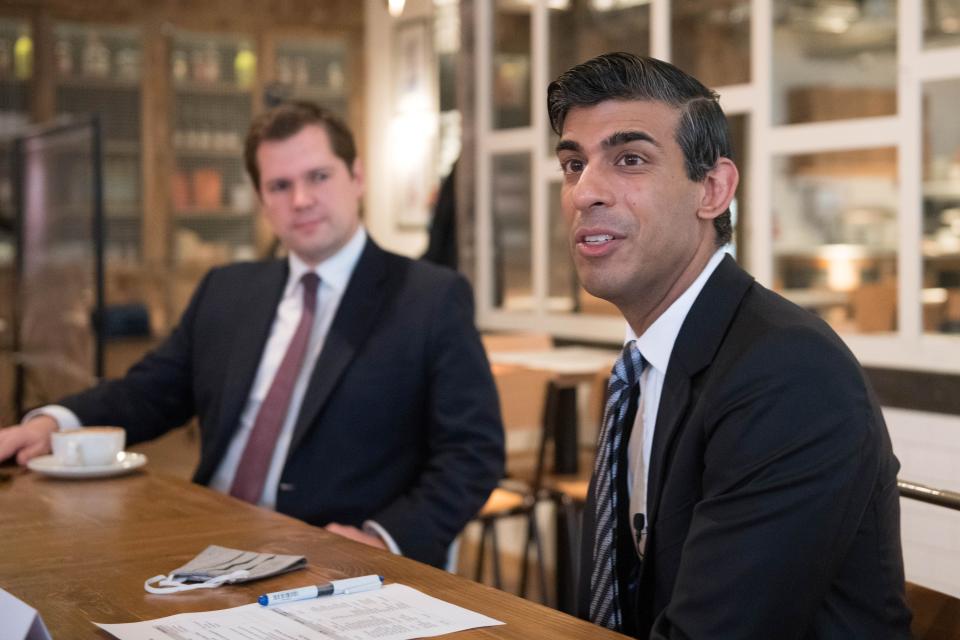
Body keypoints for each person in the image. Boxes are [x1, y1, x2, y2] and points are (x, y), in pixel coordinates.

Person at [0, 101, 504, 569]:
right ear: (262, 199)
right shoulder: (228, 290)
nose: (301, 200)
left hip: (330, 559)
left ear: (356, 178)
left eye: (319, 176)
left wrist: (382, 537)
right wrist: (56, 422)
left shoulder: (428, 298)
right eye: (280, 186)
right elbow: (149, 392)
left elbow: (471, 452)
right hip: (202, 538)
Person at [549, 53, 911, 638]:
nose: (584, 191)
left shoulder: (789, 373)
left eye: (630, 159)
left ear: (713, 190)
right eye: (572, 164)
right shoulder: (646, 361)